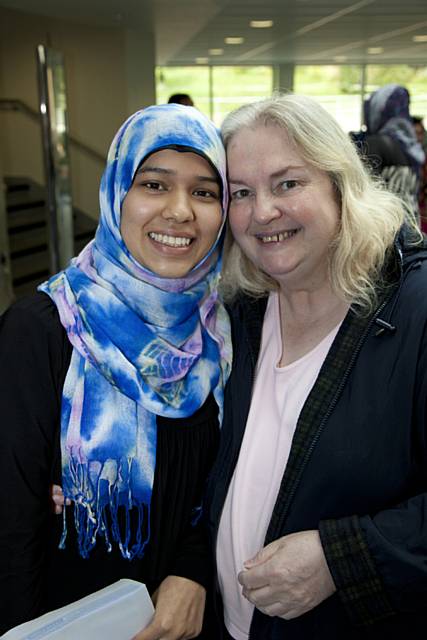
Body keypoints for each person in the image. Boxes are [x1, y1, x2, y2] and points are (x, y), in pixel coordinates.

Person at [0, 103, 232, 639]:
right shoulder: (41, 329)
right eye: (154, 185)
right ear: (115, 194)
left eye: (204, 192)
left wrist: (193, 572)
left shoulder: (222, 329)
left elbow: (222, 486)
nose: (180, 211)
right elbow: (10, 529)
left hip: (189, 622)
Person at [204, 93, 427, 639]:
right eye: (242, 193)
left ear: (339, 184)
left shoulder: (415, 309)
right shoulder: (239, 314)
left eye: (287, 183)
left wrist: (340, 559)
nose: (263, 212)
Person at [350, 83, 425, 225]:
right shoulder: (410, 146)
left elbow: (359, 190)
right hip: (412, 226)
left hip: (388, 229)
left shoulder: (377, 143)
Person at [412, 115, 427, 231]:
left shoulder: (423, 157)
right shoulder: (405, 159)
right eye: (416, 133)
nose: (419, 137)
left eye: (421, 133)